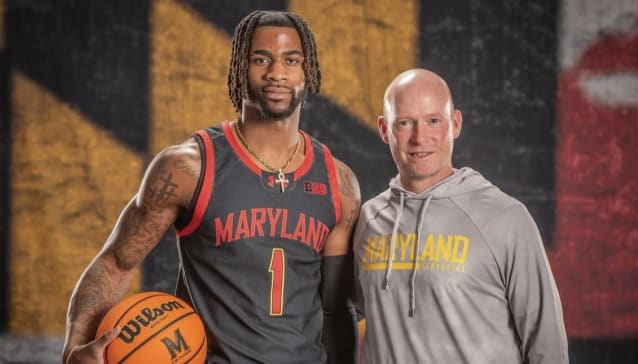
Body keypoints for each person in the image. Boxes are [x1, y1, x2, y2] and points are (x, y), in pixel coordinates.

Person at [62, 10, 360, 364]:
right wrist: (72, 351)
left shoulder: (337, 182)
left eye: (290, 60)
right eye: (260, 59)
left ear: (306, 71)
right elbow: (115, 263)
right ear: (239, 68)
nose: (276, 73)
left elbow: (334, 309)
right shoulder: (188, 168)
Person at [352, 68, 568, 364]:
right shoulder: (370, 219)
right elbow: (344, 313)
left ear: (455, 124)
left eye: (433, 121)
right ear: (384, 129)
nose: (420, 137)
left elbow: (547, 345)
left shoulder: (505, 218)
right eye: (404, 123)